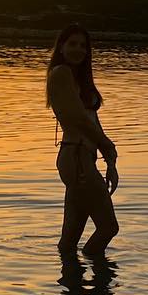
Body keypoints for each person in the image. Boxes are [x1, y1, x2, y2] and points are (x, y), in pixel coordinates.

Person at [45, 23, 119, 259]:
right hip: (76, 157)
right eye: (72, 44)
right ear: (61, 47)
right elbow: (78, 119)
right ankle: (99, 291)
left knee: (69, 240)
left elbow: (92, 120)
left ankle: (71, 292)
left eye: (83, 46)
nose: (78, 49)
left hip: (83, 157)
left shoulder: (81, 80)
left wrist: (110, 161)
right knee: (108, 228)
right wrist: (107, 144)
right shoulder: (61, 73)